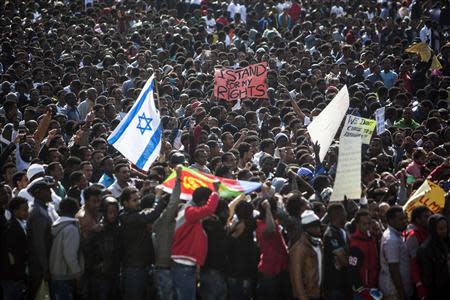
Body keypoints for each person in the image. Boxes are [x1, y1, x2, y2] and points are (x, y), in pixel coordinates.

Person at [171, 183, 220, 300]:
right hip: (182, 265)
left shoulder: (189, 210)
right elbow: (209, 209)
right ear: (203, 201)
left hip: (185, 265)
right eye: (207, 201)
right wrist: (216, 192)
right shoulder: (189, 211)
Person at [119, 186, 167, 300]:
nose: (138, 202)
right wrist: (158, 198)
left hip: (143, 266)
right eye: (134, 200)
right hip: (134, 268)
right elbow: (152, 214)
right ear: (125, 203)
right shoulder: (126, 217)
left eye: (139, 199)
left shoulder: (133, 215)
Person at [153, 166, 182, 300]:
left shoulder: (168, 222)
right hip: (164, 270)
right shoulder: (163, 221)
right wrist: (178, 179)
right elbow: (174, 202)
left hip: (172, 269)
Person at [255, 197, 290, 300]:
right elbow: (271, 230)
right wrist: (268, 208)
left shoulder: (274, 223)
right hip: (269, 272)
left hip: (280, 270)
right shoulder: (260, 226)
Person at [27, 177, 56, 300]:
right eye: (47, 190)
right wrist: (45, 268)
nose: (50, 192)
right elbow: (39, 243)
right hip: (38, 265)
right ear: (38, 193)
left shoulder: (43, 208)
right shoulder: (38, 213)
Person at [49, 197, 83, 300]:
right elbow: (70, 255)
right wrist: (78, 274)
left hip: (57, 275)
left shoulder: (58, 225)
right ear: (76, 210)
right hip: (65, 276)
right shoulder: (71, 229)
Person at [379, 206, 413, 300]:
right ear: (391, 220)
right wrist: (402, 295)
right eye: (401, 219)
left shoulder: (396, 235)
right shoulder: (391, 240)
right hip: (394, 293)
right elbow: (394, 270)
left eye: (404, 218)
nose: (404, 221)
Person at [289, 210, 323, 300]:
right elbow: (296, 276)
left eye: (319, 227)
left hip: (317, 293)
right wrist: (302, 296)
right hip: (306, 295)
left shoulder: (319, 243)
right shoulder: (299, 248)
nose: (319, 230)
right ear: (308, 229)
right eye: (315, 227)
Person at [0, 197, 28, 300]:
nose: (27, 212)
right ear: (15, 211)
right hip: (12, 276)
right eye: (24, 210)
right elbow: (12, 254)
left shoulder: (19, 225)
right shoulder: (12, 228)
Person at [417, 214, 450, 299]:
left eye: (445, 228)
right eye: (440, 229)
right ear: (433, 229)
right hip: (437, 292)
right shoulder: (425, 249)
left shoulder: (445, 241)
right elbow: (428, 277)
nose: (444, 231)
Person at [348, 210, 379, 299]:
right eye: (364, 224)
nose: (368, 226)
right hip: (362, 291)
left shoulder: (371, 238)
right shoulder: (355, 244)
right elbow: (352, 270)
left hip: (372, 287)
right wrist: (361, 290)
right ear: (357, 225)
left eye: (369, 223)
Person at [323, 202, 350, 300]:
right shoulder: (330, 234)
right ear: (338, 215)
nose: (346, 215)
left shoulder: (342, 230)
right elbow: (343, 259)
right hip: (335, 285)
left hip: (344, 282)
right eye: (344, 213)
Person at [404, 206, 431, 299]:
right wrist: (419, 285)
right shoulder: (413, 236)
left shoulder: (428, 232)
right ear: (418, 220)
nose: (429, 219)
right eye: (426, 217)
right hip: (420, 281)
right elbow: (414, 263)